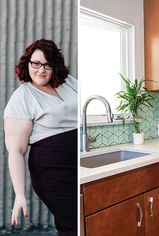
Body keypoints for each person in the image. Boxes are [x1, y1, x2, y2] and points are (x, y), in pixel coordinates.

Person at [3, 39, 78, 236]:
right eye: (35, 63)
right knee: (72, 223)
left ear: (55, 66)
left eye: (47, 64)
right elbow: (16, 151)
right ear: (27, 64)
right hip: (53, 173)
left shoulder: (68, 82)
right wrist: (20, 194)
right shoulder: (22, 97)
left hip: (75, 165)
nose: (41, 70)